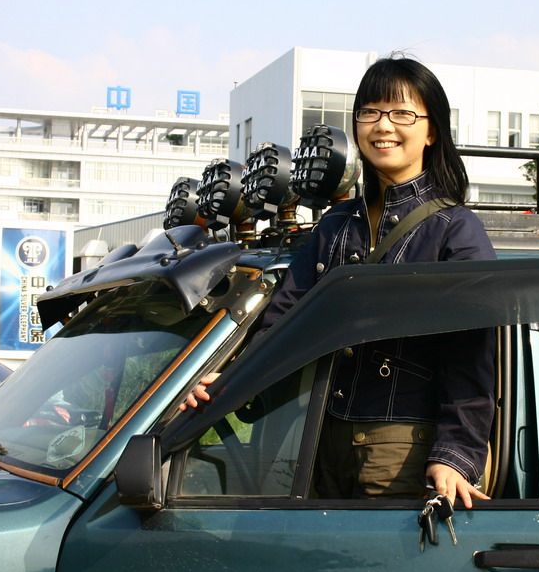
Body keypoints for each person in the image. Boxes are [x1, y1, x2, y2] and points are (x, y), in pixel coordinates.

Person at [184, 55, 496, 509]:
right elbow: (283, 322)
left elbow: (472, 354)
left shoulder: (455, 229)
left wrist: (455, 454)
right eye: (370, 112)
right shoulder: (336, 224)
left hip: (402, 448)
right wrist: (229, 381)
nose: (383, 125)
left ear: (431, 132)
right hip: (317, 439)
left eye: (402, 113)